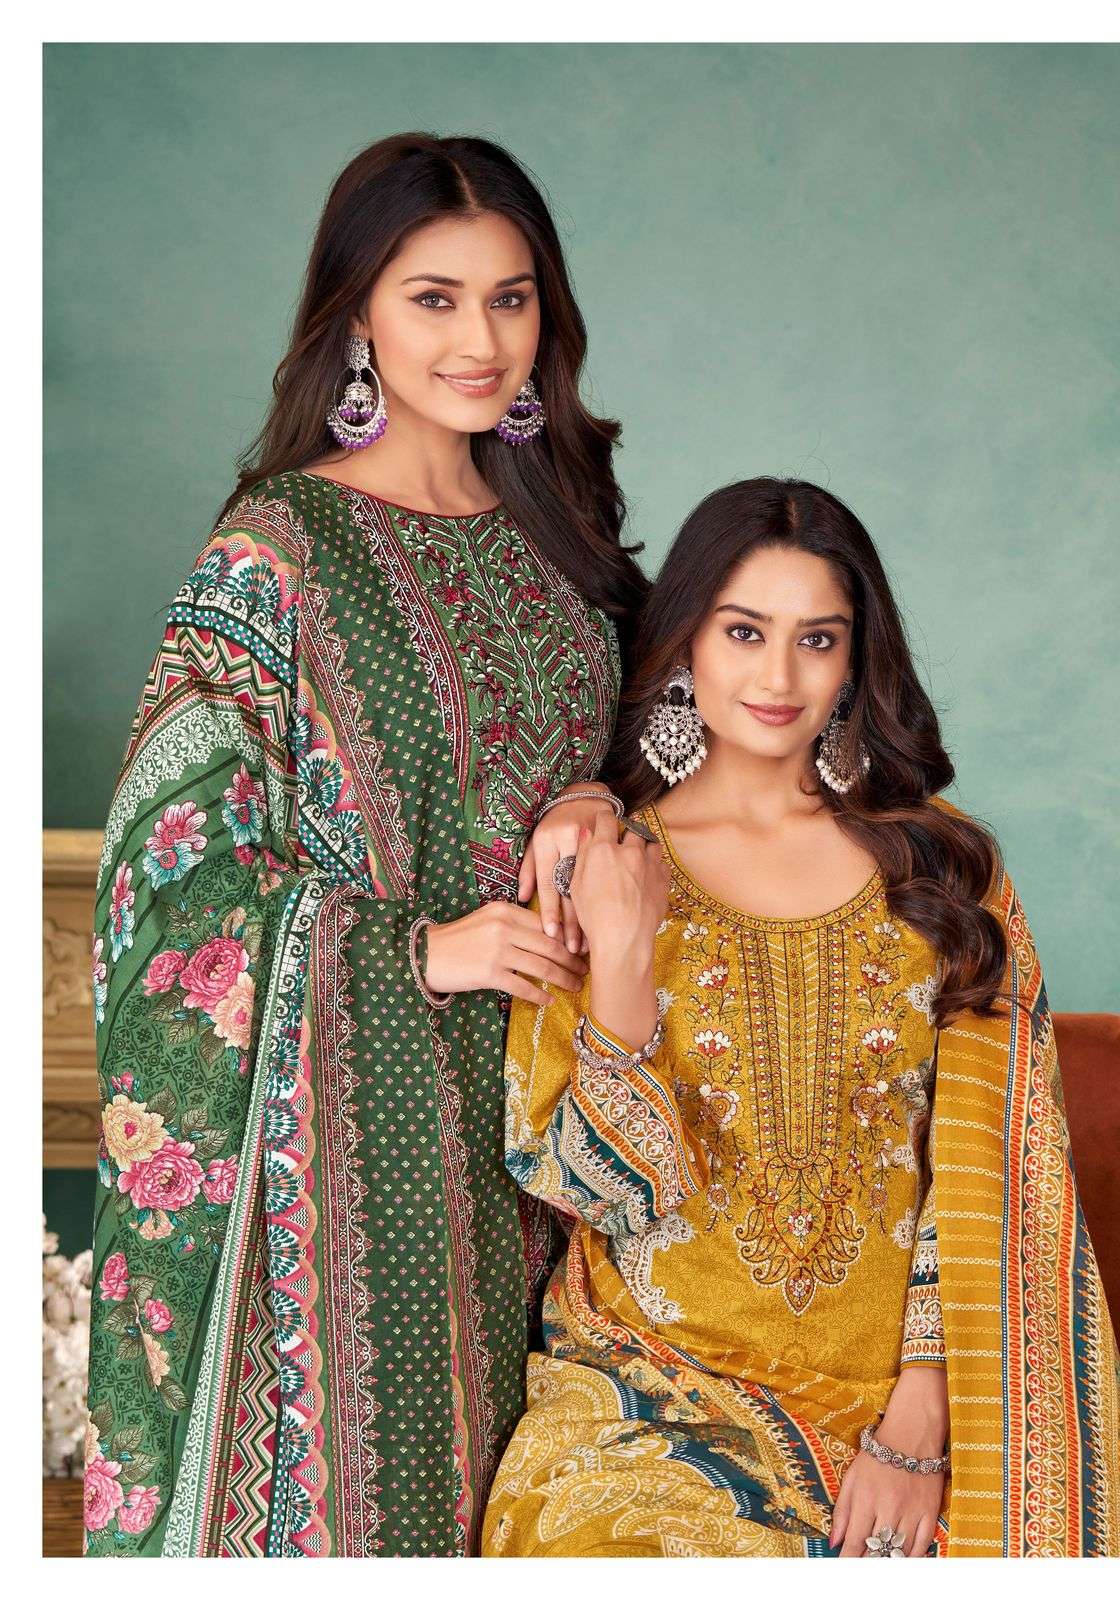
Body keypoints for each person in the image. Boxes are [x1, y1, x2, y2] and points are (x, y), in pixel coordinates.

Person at [83, 133, 649, 1557]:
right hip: (355, 1138)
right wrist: (414, 950)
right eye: (433, 299)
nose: (481, 341)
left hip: (562, 1138)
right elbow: (166, 870)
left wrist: (604, 797)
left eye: (511, 299)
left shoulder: (570, 541)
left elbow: (684, 739)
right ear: (356, 319)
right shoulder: (276, 550)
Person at [483, 477, 1120, 1558]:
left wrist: (916, 1429)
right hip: (648, 1404)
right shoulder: (601, 862)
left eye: (816, 639)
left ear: (855, 660)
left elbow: (1000, 1171)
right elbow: (596, 1191)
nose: (778, 678)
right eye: (744, 632)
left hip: (906, 1410)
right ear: (685, 642)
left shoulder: (942, 869)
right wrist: (625, 958)